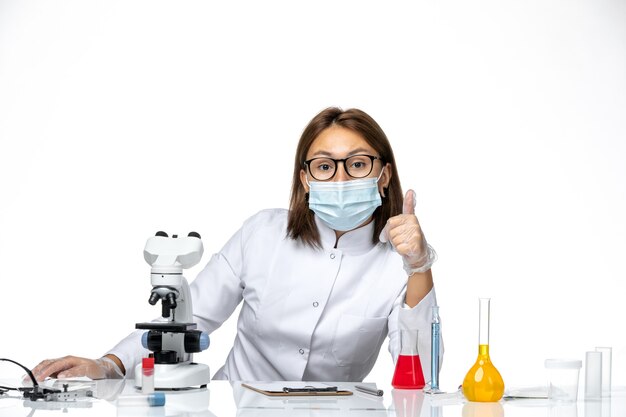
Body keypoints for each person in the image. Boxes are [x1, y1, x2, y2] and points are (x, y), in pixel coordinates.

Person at [32, 107, 441, 383]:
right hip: (235, 406)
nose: (339, 179)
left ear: (383, 175)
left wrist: (419, 267)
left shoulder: (397, 263)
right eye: (323, 166)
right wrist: (108, 365)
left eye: (356, 164)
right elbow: (191, 318)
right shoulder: (262, 233)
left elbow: (421, 375)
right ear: (305, 179)